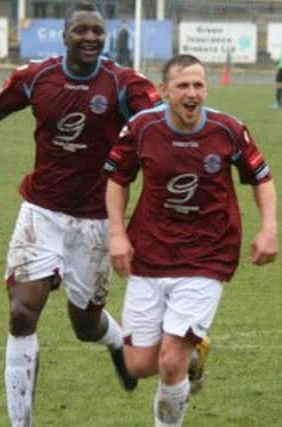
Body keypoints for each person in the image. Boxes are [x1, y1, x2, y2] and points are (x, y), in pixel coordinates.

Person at [0, 3, 164, 426]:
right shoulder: (36, 77)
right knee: (22, 311)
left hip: (96, 221)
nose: (90, 38)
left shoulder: (123, 83)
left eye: (97, 32)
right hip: (41, 211)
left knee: (84, 324)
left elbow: (157, 125)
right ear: (63, 35)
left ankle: (117, 342)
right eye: (80, 30)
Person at [105, 54, 278, 426]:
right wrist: (117, 235)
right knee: (137, 365)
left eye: (198, 85)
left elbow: (261, 177)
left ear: (207, 89)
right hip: (149, 253)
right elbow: (117, 180)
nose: (192, 93)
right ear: (164, 90)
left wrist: (268, 228)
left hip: (207, 256)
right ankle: (197, 352)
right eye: (182, 85)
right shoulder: (142, 128)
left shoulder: (228, 129)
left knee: (170, 362)